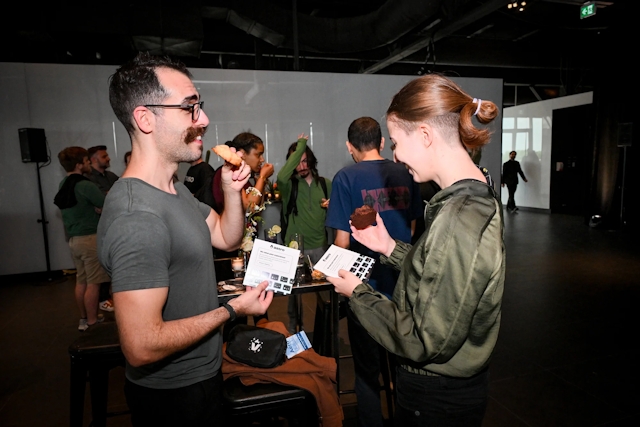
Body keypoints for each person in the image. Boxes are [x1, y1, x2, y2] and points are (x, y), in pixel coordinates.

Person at [98, 52, 273, 426]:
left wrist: (230, 190)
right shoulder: (137, 215)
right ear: (145, 118)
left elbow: (225, 237)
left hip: (203, 377)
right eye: (189, 108)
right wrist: (233, 310)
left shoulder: (173, 190)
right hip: (173, 398)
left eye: (200, 107)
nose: (204, 120)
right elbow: (142, 345)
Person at [328, 74, 505, 427]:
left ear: (424, 135)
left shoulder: (458, 217)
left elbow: (424, 340)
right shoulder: (468, 200)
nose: (395, 155)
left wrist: (358, 293)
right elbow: (444, 279)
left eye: (395, 142)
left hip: (436, 396)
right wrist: (390, 247)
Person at [325, 116, 422, 427]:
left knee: (366, 370)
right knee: (405, 361)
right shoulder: (406, 173)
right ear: (382, 143)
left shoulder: (345, 177)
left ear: (349, 146)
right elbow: (411, 227)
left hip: (364, 285)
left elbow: (342, 241)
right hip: (404, 280)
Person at [277, 135, 331, 333]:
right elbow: (282, 176)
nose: (301, 166)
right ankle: (294, 330)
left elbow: (338, 212)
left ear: (311, 160)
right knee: (295, 296)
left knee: (324, 295)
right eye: (296, 162)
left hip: (320, 246)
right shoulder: (288, 185)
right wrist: (301, 146)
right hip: (295, 248)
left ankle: (323, 331)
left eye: (304, 160)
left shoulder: (325, 184)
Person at [54, 146, 110, 331]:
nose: (89, 164)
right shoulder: (85, 185)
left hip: (74, 240)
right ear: (79, 165)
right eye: (86, 161)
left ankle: (84, 318)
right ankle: (92, 322)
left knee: (81, 281)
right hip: (90, 240)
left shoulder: (64, 184)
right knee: (93, 284)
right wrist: (99, 208)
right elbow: (105, 204)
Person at [85, 145, 119, 313]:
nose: (108, 158)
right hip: (98, 228)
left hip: (115, 225)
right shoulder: (88, 179)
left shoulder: (111, 176)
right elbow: (99, 202)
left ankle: (114, 296)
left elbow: (122, 194)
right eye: (104, 156)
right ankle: (102, 299)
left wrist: (108, 197)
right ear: (93, 159)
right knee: (99, 269)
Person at [212, 132, 274, 214]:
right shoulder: (230, 173)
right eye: (258, 155)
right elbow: (249, 207)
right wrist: (262, 177)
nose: (262, 160)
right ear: (243, 153)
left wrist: (260, 181)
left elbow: (257, 210)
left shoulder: (245, 174)